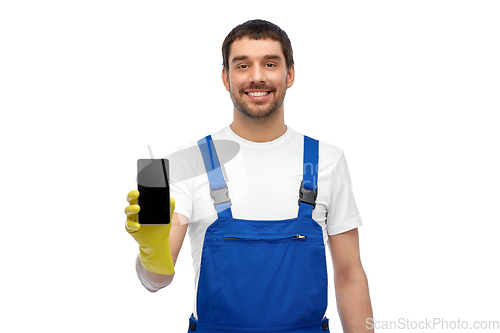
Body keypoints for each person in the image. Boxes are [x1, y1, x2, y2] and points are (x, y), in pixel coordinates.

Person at [125, 19, 373, 333]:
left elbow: (350, 276)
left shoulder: (328, 160)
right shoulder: (189, 161)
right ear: (226, 78)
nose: (256, 77)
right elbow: (154, 282)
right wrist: (152, 252)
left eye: (270, 63)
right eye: (243, 65)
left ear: (290, 74)